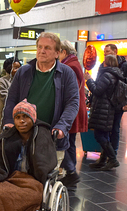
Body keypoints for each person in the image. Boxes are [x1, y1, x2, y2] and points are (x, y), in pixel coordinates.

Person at [3, 32, 79, 169]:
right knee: (20, 175)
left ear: (57, 53)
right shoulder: (23, 72)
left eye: (47, 48)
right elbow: (12, 99)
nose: (42, 51)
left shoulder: (67, 74)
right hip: (24, 135)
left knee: (45, 177)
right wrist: (8, 121)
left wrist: (62, 126)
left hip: (51, 137)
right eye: (39, 47)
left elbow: (72, 103)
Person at [91, 44, 127, 168]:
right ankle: (105, 157)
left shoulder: (124, 65)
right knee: (105, 130)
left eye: (108, 52)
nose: (105, 54)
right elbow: (99, 83)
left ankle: (112, 156)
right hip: (107, 104)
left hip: (118, 104)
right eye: (104, 52)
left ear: (115, 51)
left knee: (114, 129)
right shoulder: (102, 65)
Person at [84, 55, 123, 171]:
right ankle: (103, 160)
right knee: (105, 135)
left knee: (99, 135)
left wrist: (89, 80)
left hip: (102, 108)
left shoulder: (106, 75)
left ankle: (112, 159)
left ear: (107, 63)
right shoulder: (115, 74)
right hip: (108, 108)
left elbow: (97, 90)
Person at [58, 40, 87, 189]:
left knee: (64, 142)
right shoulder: (74, 64)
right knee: (69, 141)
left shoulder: (70, 66)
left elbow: (69, 91)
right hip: (74, 109)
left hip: (71, 110)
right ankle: (71, 173)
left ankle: (71, 173)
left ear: (64, 51)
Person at [0, 58, 21, 145]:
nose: (18, 70)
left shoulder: (22, 81)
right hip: (4, 113)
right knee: (2, 136)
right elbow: (5, 98)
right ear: (8, 69)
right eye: (15, 67)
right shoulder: (2, 81)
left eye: (19, 67)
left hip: (19, 114)